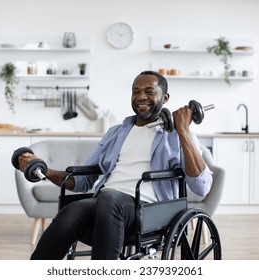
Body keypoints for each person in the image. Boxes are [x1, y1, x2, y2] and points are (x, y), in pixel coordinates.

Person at [18, 70, 213, 260]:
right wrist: (43, 169)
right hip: (106, 204)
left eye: (149, 91)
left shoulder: (177, 135)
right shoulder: (116, 132)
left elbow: (201, 186)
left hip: (150, 210)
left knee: (109, 198)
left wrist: (184, 131)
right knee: (72, 210)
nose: (141, 97)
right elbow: (83, 181)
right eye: (136, 91)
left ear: (165, 97)